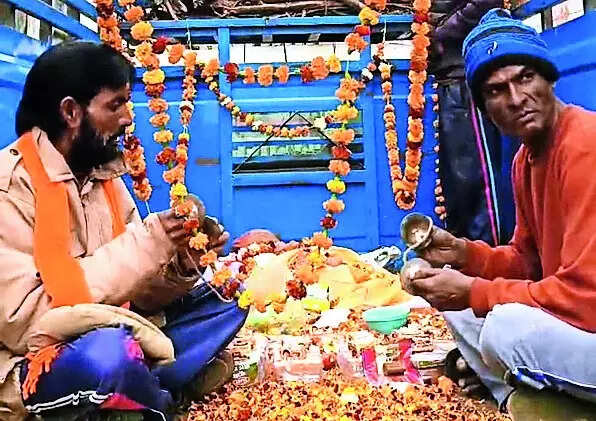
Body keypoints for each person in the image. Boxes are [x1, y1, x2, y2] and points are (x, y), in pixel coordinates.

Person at [0, 41, 247, 421]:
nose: (129, 118)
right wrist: (151, 241)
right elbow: (25, 323)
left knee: (228, 298)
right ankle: (158, 394)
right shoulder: (10, 187)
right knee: (108, 355)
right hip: (38, 355)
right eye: (115, 105)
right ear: (71, 112)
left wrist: (182, 263)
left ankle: (143, 383)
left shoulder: (103, 177)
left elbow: (140, 297)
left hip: (119, 325)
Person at [407, 8, 596, 416]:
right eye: (496, 90)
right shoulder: (524, 161)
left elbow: (586, 299)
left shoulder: (585, 144)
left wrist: (474, 291)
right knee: (460, 310)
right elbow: (527, 263)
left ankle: (562, 406)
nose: (515, 99)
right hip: (581, 326)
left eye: (525, 78)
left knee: (504, 327)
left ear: (549, 79)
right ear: (484, 108)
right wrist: (465, 254)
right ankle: (515, 401)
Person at [429, 0, 520, 246]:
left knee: (477, 180)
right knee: (457, 184)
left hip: (465, 76)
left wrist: (441, 30)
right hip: (447, 77)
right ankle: (465, 253)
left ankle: (490, 253)